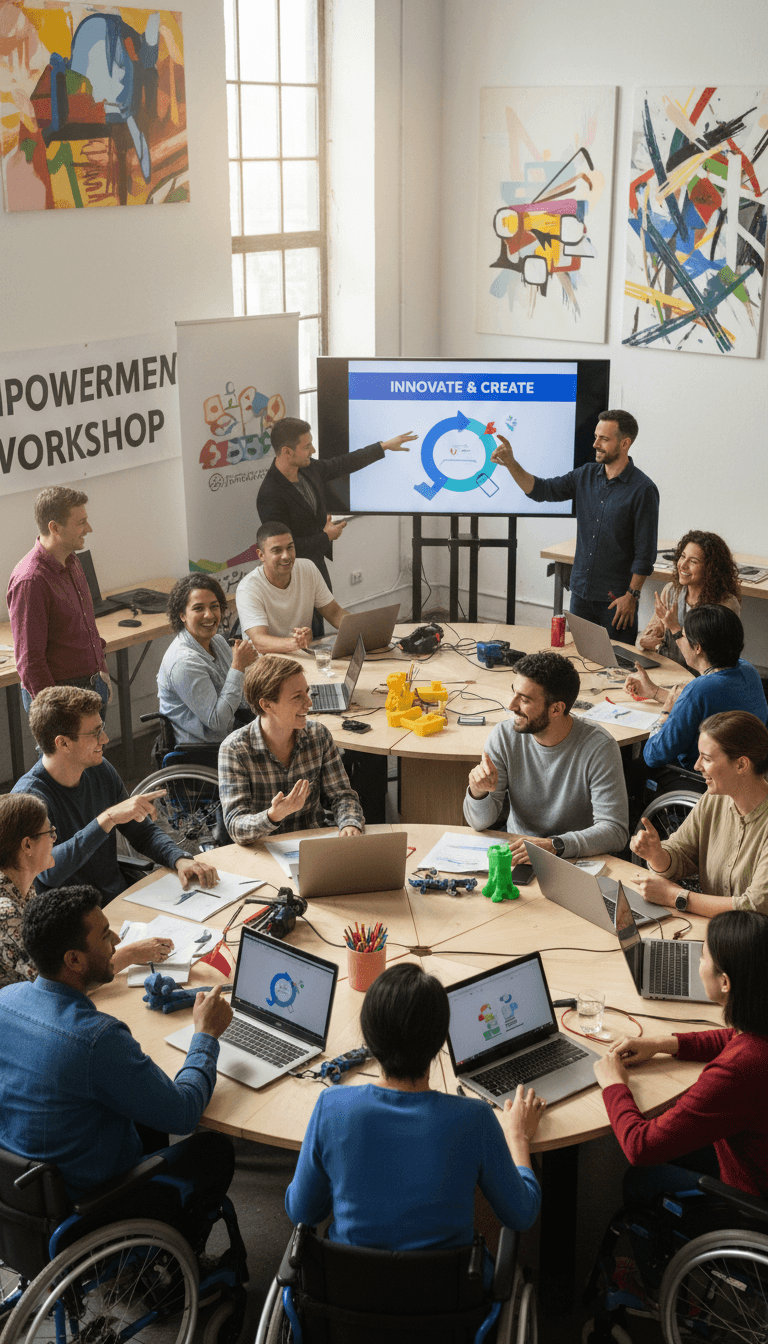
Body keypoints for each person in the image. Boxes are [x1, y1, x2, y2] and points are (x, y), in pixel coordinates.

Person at [0, 885, 235, 1248]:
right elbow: (185, 1113)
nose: (115, 939)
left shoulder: (6, 1000)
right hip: (89, 1207)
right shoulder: (96, 1039)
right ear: (74, 960)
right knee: (214, 1150)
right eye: (104, 933)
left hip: (23, 1195)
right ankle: (175, 1260)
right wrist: (206, 1034)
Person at [285, 962, 544, 1255]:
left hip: (346, 1291)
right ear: (439, 1043)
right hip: (451, 1296)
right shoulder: (475, 1119)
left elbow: (301, 1213)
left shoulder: (331, 1108)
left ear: (369, 1040)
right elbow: (522, 1215)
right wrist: (519, 1138)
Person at [594, 909, 768, 1201]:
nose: (697, 963)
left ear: (725, 983)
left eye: (702, 957)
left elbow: (641, 1147)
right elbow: (734, 1036)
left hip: (751, 1198)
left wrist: (614, 1085)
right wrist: (664, 1043)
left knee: (641, 1181)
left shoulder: (738, 1070)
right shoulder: (757, 1025)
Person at [12, 686, 218, 904]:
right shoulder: (29, 797)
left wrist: (178, 859)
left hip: (117, 898)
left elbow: (142, 833)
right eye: (94, 733)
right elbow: (47, 870)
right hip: (73, 918)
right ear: (63, 743)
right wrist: (106, 819)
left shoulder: (100, 768)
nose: (105, 738)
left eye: (102, 728)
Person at [491, 410, 658, 642]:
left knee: (617, 669)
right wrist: (511, 463)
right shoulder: (585, 475)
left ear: (625, 443)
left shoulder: (643, 490)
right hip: (580, 594)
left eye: (604, 439)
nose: (595, 444)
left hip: (617, 602)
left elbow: (645, 553)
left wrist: (632, 595)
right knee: (581, 662)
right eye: (596, 436)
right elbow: (541, 491)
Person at [463, 652, 629, 861]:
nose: (511, 706)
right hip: (518, 854)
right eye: (514, 693)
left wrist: (555, 845)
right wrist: (478, 793)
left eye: (524, 700)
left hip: (574, 858)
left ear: (556, 709)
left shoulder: (599, 747)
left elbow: (615, 831)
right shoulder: (503, 736)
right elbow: (479, 823)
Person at [0, 793, 176, 987]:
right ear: (27, 845)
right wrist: (131, 953)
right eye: (49, 832)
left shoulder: (21, 884)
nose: (55, 837)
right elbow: (57, 986)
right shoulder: (6, 914)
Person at [630, 712, 768, 917]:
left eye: (707, 758)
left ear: (741, 765)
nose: (697, 766)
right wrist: (656, 854)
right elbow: (681, 852)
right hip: (713, 930)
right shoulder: (714, 799)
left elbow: (756, 906)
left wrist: (675, 896)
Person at [256, 417, 418, 589]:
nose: (313, 450)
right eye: (306, 446)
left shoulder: (308, 468)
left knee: (326, 611)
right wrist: (326, 537)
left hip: (318, 565)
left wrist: (383, 446)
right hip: (292, 577)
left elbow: (343, 463)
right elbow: (282, 549)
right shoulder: (269, 495)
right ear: (287, 452)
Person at [219, 655, 364, 841]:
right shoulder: (234, 750)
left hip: (312, 843)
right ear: (267, 705)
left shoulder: (319, 735)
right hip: (263, 850)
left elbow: (342, 796)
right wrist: (273, 815)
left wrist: (350, 823)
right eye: (297, 697)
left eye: (307, 692)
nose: (309, 703)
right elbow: (235, 827)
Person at [7, 486, 110, 711]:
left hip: (92, 683)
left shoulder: (72, 561)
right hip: (62, 697)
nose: (88, 529)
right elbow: (30, 663)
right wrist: (56, 713)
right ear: (54, 527)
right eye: (81, 522)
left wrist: (100, 669)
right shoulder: (31, 580)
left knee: (96, 748)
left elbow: (82, 627)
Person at [628, 606, 767, 772]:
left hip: (702, 777)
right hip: (747, 772)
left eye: (683, 636)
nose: (680, 641)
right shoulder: (748, 670)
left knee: (630, 763)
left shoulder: (699, 689)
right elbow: (704, 706)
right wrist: (655, 692)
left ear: (698, 647)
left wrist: (665, 715)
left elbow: (654, 755)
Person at [157, 573, 256, 764]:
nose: (209, 615)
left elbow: (241, 698)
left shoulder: (217, 641)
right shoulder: (183, 663)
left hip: (232, 734)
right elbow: (218, 723)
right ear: (182, 615)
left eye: (214, 606)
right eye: (198, 608)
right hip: (205, 752)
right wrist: (238, 667)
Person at [236, 523, 349, 654]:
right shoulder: (248, 588)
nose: (286, 555)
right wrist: (296, 643)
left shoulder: (308, 568)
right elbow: (260, 642)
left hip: (301, 656)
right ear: (261, 555)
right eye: (277, 550)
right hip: (266, 666)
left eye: (290, 547)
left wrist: (364, 630)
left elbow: (334, 613)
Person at [638, 530, 741, 669]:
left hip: (700, 681)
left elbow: (706, 659)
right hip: (668, 672)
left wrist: (674, 627)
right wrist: (644, 642)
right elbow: (646, 637)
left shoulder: (726, 604)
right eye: (682, 556)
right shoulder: (671, 591)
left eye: (693, 561)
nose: (683, 565)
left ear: (710, 568)